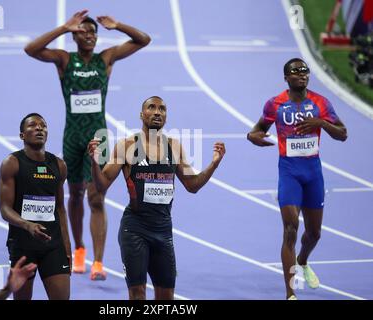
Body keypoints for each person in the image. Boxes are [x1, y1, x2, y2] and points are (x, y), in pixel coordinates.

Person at [24, 9, 151, 280]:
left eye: (93, 32)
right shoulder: (64, 60)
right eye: (83, 31)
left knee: (97, 198)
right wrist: (63, 28)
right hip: (72, 138)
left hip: (99, 137)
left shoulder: (105, 59)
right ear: (75, 37)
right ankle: (79, 249)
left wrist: (118, 25)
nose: (90, 35)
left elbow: (144, 40)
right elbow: (30, 49)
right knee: (75, 195)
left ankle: (99, 262)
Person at [87, 96, 225, 299]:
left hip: (163, 231)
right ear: (142, 115)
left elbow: (192, 185)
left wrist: (214, 164)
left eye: (162, 109)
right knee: (137, 293)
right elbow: (102, 184)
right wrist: (94, 162)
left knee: (166, 296)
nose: (158, 112)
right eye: (152, 107)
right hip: (135, 230)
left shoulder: (174, 147)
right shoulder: (127, 146)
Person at [247, 58, 348, 300]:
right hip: (289, 173)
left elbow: (343, 134)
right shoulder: (275, 104)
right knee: (291, 228)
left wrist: (321, 123)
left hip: (313, 174)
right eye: (296, 72)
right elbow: (256, 130)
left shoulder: (321, 103)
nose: (302, 75)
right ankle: (290, 293)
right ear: (286, 78)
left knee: (314, 234)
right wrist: (255, 138)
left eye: (305, 71)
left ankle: (303, 259)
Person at [0, 113, 72, 300]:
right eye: (33, 125)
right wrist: (27, 225)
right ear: (22, 135)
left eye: (43, 125)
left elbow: (60, 209)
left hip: (53, 245)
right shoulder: (12, 163)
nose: (39, 128)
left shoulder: (59, 165)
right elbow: (5, 209)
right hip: (23, 245)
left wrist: (67, 245)